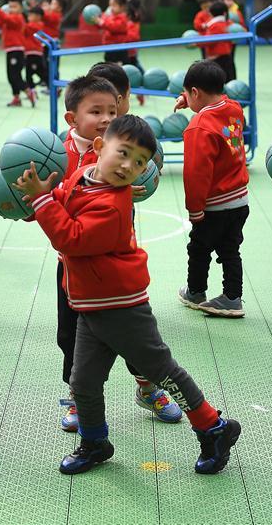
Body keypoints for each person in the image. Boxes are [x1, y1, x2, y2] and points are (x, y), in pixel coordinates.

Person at [14, 114, 242, 475]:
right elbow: (63, 199)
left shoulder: (113, 205)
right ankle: (95, 442)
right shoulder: (82, 175)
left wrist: (43, 204)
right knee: (83, 381)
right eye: (124, 153)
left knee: (163, 372)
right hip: (91, 304)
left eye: (139, 162)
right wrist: (39, 200)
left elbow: (71, 239)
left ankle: (213, 428)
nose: (129, 166)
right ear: (101, 146)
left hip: (121, 308)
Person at [54, 74, 180, 432]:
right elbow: (52, 205)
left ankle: (147, 388)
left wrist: (126, 190)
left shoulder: (123, 149)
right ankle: (79, 399)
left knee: (133, 338)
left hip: (115, 271)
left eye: (112, 109)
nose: (107, 117)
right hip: (73, 268)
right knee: (71, 335)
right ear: (72, 118)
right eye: (96, 111)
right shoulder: (55, 154)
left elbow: (127, 184)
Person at [174, 61, 248, 317]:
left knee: (198, 248)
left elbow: (196, 173)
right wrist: (191, 102)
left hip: (215, 204)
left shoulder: (198, 128)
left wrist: (195, 209)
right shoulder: (234, 108)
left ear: (196, 92)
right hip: (239, 200)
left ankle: (195, 291)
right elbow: (215, 108)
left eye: (187, 94)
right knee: (230, 250)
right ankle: (232, 297)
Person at [0, 0, 35, 107]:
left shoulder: (18, 18)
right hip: (10, 50)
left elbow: (6, 18)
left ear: (21, 8)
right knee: (11, 76)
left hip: (17, 50)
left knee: (15, 76)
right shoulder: (9, 19)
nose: (11, 9)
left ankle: (28, 91)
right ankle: (16, 97)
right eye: (10, 6)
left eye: (14, 7)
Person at [202, 2, 236, 81]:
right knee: (229, 77)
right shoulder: (229, 24)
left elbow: (208, 40)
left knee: (217, 80)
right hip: (227, 56)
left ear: (211, 14)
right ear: (225, 13)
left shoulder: (214, 26)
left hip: (217, 58)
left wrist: (196, 43)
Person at [92, 0, 130, 65]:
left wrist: (101, 22)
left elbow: (114, 27)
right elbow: (102, 26)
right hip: (109, 47)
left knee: (122, 66)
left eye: (114, 5)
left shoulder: (123, 18)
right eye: (110, 5)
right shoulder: (109, 16)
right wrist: (96, 22)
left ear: (122, 7)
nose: (111, 8)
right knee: (109, 66)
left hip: (119, 47)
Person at [24, 6, 47, 91]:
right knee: (29, 74)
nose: (28, 17)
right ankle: (32, 90)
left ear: (38, 17)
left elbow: (26, 27)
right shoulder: (31, 25)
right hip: (30, 52)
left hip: (35, 52)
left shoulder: (38, 25)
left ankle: (53, 88)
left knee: (41, 72)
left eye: (31, 15)